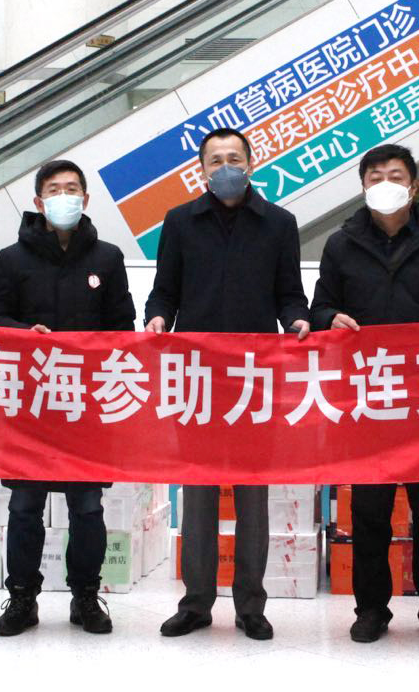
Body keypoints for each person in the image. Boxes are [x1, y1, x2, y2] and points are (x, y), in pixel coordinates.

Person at [144, 128, 310, 641]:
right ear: (201, 170)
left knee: (252, 494)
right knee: (197, 492)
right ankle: (196, 603)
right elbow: (165, 290)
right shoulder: (180, 222)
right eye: (215, 160)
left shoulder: (278, 223)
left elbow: (290, 293)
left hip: (254, 377)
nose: (225, 167)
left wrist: (297, 319)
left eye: (234, 158)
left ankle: (251, 605)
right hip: (196, 375)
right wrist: (156, 318)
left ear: (251, 164)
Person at [310, 143, 419, 645]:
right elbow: (321, 307)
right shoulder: (341, 244)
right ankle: (371, 609)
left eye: (396, 175)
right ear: (363, 186)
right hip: (369, 393)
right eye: (375, 176)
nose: (386, 183)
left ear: (414, 184)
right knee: (369, 511)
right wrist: (330, 319)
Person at [0, 159, 136, 637]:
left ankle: (85, 596)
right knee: (25, 504)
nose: (63, 197)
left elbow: (122, 326)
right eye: (54, 189)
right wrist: (24, 333)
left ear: (85, 200)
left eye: (72, 189)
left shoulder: (107, 258)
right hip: (29, 402)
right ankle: (22, 597)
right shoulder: (12, 258)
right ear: (38, 201)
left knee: (87, 505)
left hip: (86, 402)